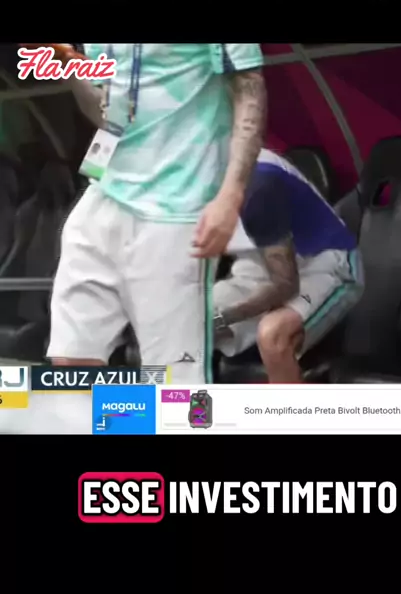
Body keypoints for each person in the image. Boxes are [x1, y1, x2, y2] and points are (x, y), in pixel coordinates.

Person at [47, 43, 267, 385]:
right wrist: (67, 61)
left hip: (175, 205)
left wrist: (230, 195)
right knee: (71, 362)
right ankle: (109, 415)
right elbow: (108, 114)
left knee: (171, 381)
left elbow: (249, 88)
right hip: (103, 194)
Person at [213, 148, 364, 383]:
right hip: (257, 266)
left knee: (274, 333)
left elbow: (285, 284)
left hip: (323, 263)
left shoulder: (258, 184)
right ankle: (166, 403)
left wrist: (222, 319)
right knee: (181, 322)